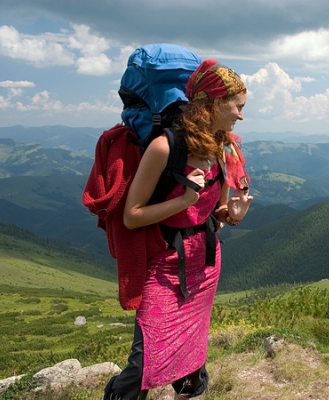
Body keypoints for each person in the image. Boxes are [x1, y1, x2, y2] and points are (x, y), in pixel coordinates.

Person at [104, 59, 252, 400]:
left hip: (205, 263)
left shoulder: (225, 147)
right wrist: (184, 200)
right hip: (164, 262)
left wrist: (233, 214)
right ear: (214, 103)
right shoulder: (164, 147)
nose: (241, 116)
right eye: (237, 107)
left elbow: (216, 211)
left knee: (192, 354)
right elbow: (132, 216)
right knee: (144, 361)